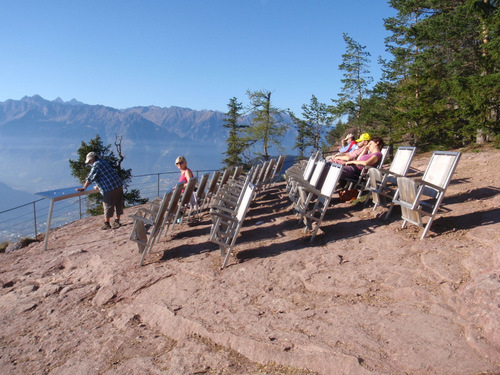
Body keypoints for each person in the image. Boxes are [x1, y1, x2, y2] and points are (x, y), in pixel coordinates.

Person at [76, 152, 124, 230]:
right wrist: (98, 186)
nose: (89, 163)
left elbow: (91, 177)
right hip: (118, 185)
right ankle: (117, 221)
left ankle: (107, 224)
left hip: (110, 188)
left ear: (92, 159)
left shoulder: (96, 164)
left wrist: (84, 187)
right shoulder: (103, 161)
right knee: (118, 203)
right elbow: (105, 176)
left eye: (89, 161)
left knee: (107, 205)